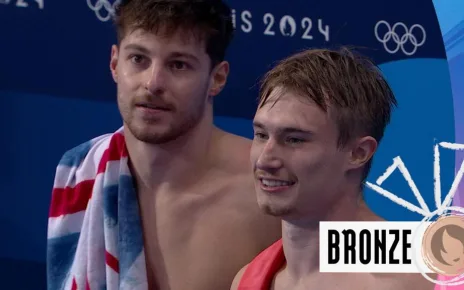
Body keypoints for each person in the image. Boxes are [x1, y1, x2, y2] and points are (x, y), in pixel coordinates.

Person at [46, 1, 281, 289]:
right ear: (114, 64)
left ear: (217, 78)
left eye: (178, 64)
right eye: (138, 59)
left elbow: (352, 258)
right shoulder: (79, 172)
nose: (153, 83)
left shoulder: (273, 184)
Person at [230, 47, 436, 289]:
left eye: (295, 139)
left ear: (358, 153)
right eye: (261, 135)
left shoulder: (418, 277)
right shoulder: (248, 279)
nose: (265, 160)